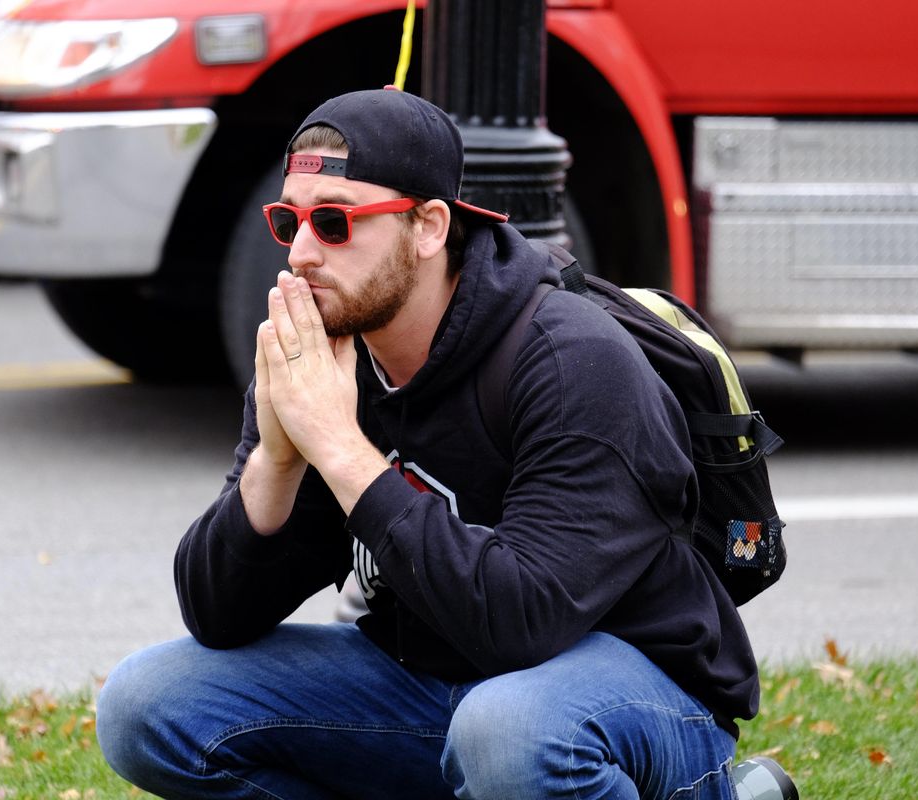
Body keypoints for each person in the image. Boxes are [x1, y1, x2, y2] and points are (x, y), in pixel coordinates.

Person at [96, 87, 770, 800]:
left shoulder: (570, 360)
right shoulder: (326, 353)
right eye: (287, 220)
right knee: (147, 704)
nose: (300, 253)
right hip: (435, 687)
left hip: (629, 693)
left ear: (428, 227)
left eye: (335, 222)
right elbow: (216, 615)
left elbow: (523, 622)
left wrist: (339, 446)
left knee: (509, 734)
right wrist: (278, 460)